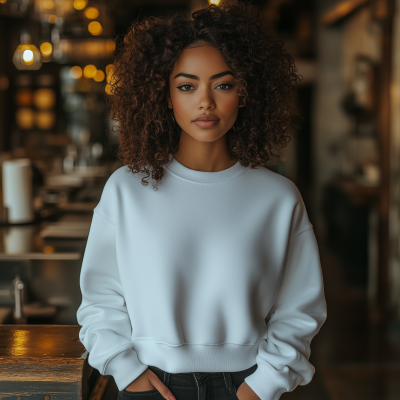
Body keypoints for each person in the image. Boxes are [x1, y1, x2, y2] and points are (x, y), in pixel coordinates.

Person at [76, 1, 327, 400]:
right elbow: (100, 300)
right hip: (150, 384)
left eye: (223, 84)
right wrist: (127, 370)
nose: (205, 101)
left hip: (247, 385)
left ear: (245, 93)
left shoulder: (278, 198)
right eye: (187, 86)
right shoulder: (125, 190)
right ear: (165, 96)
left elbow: (300, 307)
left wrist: (263, 386)